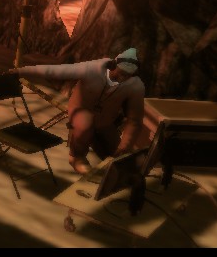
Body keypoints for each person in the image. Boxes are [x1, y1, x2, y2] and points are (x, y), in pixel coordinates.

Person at [11, 48, 146, 175]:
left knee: (123, 158)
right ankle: (76, 157)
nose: (123, 77)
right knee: (85, 122)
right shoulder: (92, 69)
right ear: (112, 66)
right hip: (81, 113)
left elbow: (134, 120)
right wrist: (21, 71)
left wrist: (124, 146)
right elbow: (55, 71)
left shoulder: (135, 85)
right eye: (121, 72)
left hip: (105, 123)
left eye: (128, 75)